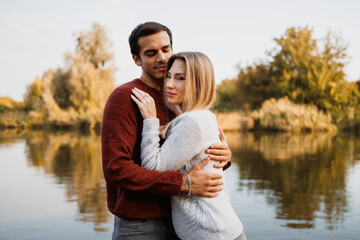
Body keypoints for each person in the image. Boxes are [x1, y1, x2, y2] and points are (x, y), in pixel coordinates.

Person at [101, 22, 233, 240]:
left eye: (166, 49)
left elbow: (190, 153)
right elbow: (116, 168)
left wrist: (224, 157)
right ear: (137, 59)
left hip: (184, 221)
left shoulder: (180, 99)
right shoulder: (124, 98)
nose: (162, 58)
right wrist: (183, 183)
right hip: (141, 225)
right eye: (151, 53)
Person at [131, 52, 245, 240]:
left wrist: (150, 120)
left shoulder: (193, 122)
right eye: (169, 76)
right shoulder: (201, 116)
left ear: (198, 84)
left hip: (210, 234)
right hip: (215, 231)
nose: (169, 84)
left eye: (180, 78)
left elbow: (152, 169)